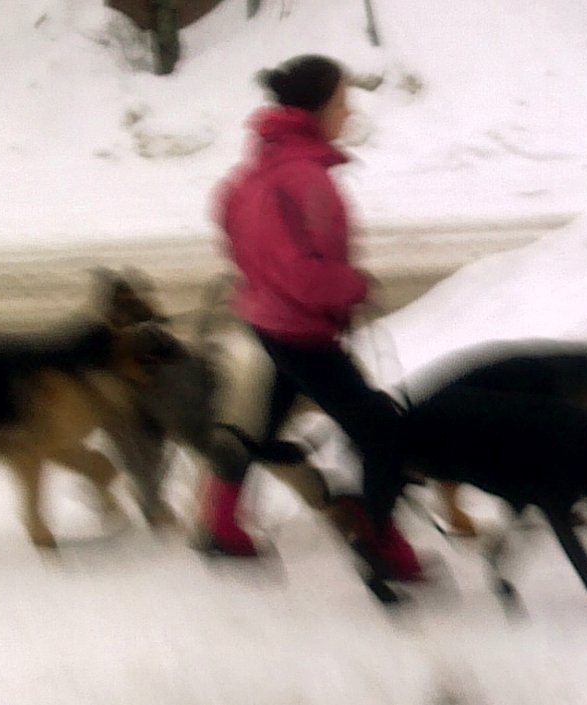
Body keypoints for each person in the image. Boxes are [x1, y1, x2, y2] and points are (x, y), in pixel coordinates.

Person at [198, 54, 422, 581]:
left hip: (270, 322)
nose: (349, 112)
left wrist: (265, 285)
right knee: (379, 433)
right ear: (317, 108)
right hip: (302, 331)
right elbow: (303, 273)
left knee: (265, 424)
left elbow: (230, 224)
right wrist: (354, 286)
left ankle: (222, 525)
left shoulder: (255, 171)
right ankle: (384, 548)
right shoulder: (304, 178)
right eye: (342, 101)